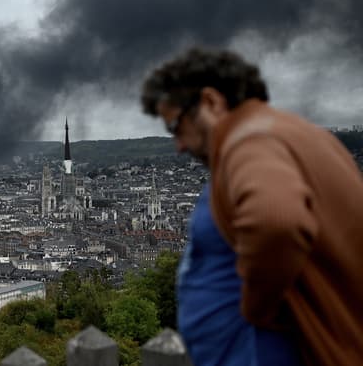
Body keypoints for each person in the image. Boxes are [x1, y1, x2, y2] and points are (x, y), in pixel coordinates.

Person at [141, 47, 363, 365]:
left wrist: (256, 308)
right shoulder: (301, 136)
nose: (178, 145)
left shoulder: (250, 139)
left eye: (176, 126)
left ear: (211, 103)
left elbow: (277, 221)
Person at [178, 181, 301, 365]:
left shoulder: (242, 158)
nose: (180, 150)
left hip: (250, 349)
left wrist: (257, 305)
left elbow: (279, 226)